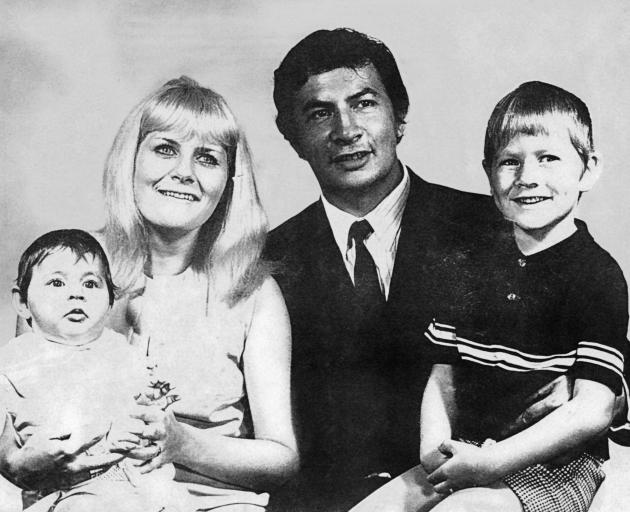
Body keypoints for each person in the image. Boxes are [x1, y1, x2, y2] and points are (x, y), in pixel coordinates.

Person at [265, 28, 575, 511]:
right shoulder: (266, 263)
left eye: (364, 103)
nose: (346, 130)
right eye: (319, 113)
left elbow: (607, 350)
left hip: (472, 490)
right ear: (292, 137)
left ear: (400, 116)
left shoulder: (498, 225)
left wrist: (592, 390)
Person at [5, 77, 298, 511]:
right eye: (165, 149)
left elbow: (281, 456)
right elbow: (15, 417)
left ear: (229, 181)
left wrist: (180, 443)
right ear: (132, 160)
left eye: (207, 158)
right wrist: (20, 461)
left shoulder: (253, 291)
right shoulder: (68, 266)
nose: (184, 172)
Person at [418, 81, 629, 512]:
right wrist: (434, 452)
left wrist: (492, 464)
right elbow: (443, 379)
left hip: (556, 465)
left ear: (589, 168)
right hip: (470, 450)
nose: (527, 177)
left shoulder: (596, 275)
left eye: (548, 158)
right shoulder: (468, 263)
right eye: (509, 161)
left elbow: (591, 410)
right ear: (488, 174)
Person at [0, 229, 183, 512]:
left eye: (91, 284)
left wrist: (154, 399)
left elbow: (145, 411)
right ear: (23, 303)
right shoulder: (17, 360)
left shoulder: (121, 350)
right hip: (68, 488)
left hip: (142, 484)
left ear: (110, 301)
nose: (76, 294)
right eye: (57, 283)